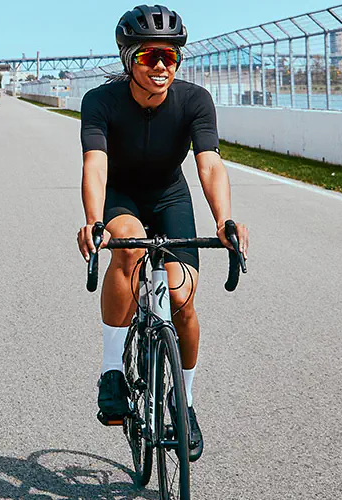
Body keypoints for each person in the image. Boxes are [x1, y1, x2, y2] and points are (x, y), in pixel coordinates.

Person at [73, 4, 245, 463]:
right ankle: (112, 371)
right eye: (150, 56)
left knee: (183, 300)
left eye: (171, 57)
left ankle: (183, 402)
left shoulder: (195, 100)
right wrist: (94, 221)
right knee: (126, 250)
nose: (162, 67)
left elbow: (208, 163)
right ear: (129, 58)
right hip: (121, 196)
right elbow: (95, 164)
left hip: (170, 196)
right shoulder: (100, 102)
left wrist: (224, 220)